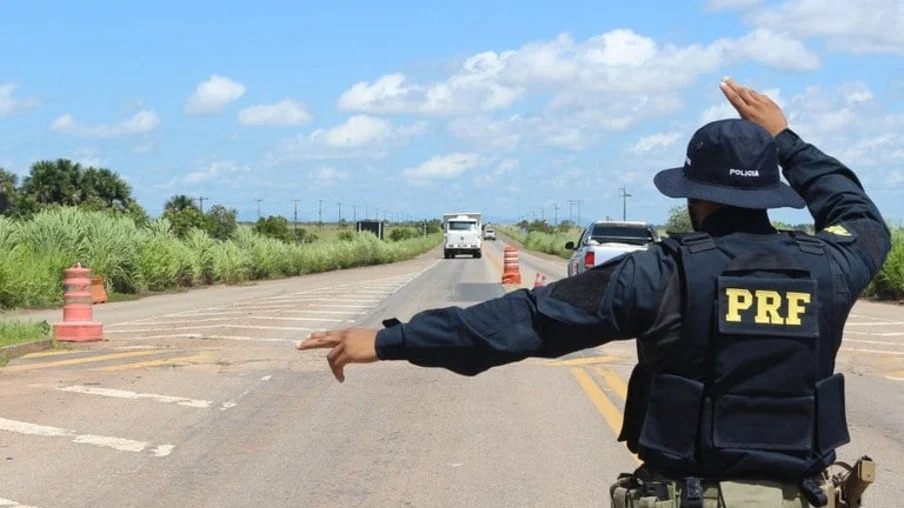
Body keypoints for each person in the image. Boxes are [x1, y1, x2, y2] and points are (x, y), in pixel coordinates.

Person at [297, 78, 891, 507]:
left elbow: (524, 321)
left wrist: (390, 339)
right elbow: (858, 213)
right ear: (770, 193)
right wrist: (785, 138)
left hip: (686, 495)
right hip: (806, 498)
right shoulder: (834, 265)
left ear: (694, 196)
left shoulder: (665, 273)